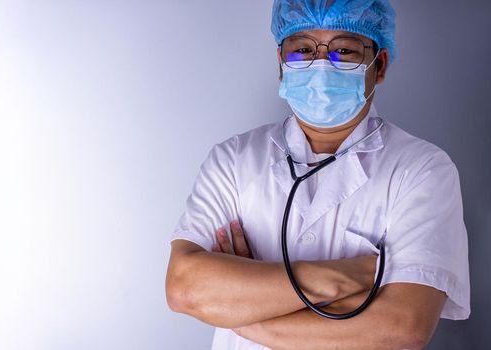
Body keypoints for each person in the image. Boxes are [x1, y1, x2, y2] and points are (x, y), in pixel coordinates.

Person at [165, 1, 470, 349]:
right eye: (303, 50)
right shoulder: (233, 160)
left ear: (379, 65)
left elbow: (403, 325)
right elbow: (184, 288)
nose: (321, 64)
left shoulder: (423, 169)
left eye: (344, 50)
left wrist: (244, 313)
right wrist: (346, 278)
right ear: (281, 64)